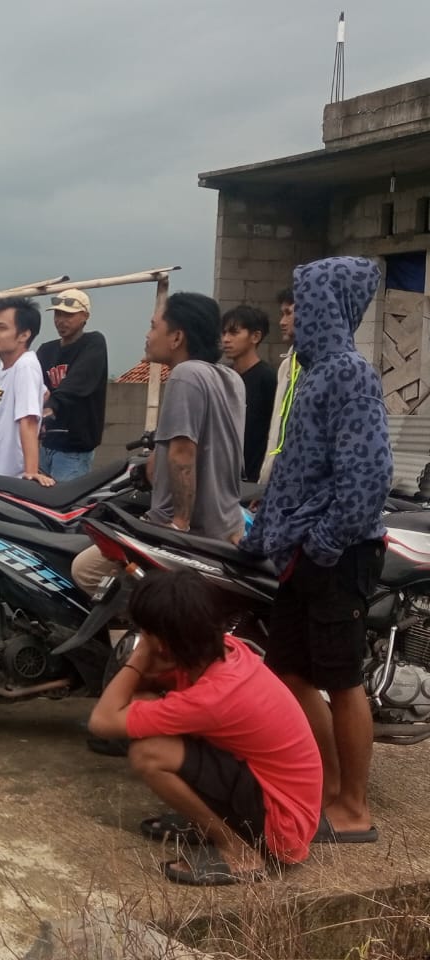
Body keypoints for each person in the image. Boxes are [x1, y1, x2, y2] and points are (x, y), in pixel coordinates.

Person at [242, 256, 390, 845]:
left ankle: (353, 808)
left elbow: (368, 475)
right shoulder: (309, 373)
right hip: (298, 550)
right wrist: (259, 535)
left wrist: (323, 543)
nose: (292, 315)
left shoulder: (352, 374)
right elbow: (292, 470)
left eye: (303, 303)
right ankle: (326, 787)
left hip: (336, 555)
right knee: (289, 671)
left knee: (342, 678)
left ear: (330, 307)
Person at [88, 569, 322, 885]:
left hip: (282, 825)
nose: (141, 637)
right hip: (271, 792)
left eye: (145, 632)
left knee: (149, 753)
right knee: (142, 701)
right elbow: (131, 697)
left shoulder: (213, 697)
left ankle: (238, 851)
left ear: (163, 642)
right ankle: (208, 825)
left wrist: (140, 655)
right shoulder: (219, 649)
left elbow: (102, 722)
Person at [71, 292, 245, 597]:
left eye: (153, 327)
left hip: (190, 535)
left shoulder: (186, 375)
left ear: (176, 337)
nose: (147, 335)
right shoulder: (231, 379)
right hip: (228, 526)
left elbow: (182, 454)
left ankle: (137, 640)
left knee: (84, 569)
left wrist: (178, 526)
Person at [0, 297, 53, 486]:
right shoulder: (7, 365)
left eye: (1, 328)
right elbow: (44, 393)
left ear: (24, 335)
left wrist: (31, 472)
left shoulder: (25, 366)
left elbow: (28, 421)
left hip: (9, 478)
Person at [36, 289, 108, 481]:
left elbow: (79, 380)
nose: (60, 320)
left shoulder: (93, 343)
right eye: (57, 314)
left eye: (68, 315)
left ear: (85, 316)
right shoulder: (46, 350)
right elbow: (33, 386)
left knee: (63, 506)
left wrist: (52, 406)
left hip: (74, 450)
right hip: (45, 444)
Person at [221, 305, 277, 481]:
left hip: (252, 481)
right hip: (221, 476)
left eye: (233, 333)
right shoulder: (224, 377)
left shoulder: (267, 379)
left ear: (255, 336)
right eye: (224, 333)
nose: (226, 339)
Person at [258, 288, 298, 485]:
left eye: (289, 313)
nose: (282, 322)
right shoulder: (286, 367)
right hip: (275, 485)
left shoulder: (329, 369)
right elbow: (276, 433)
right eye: (282, 314)